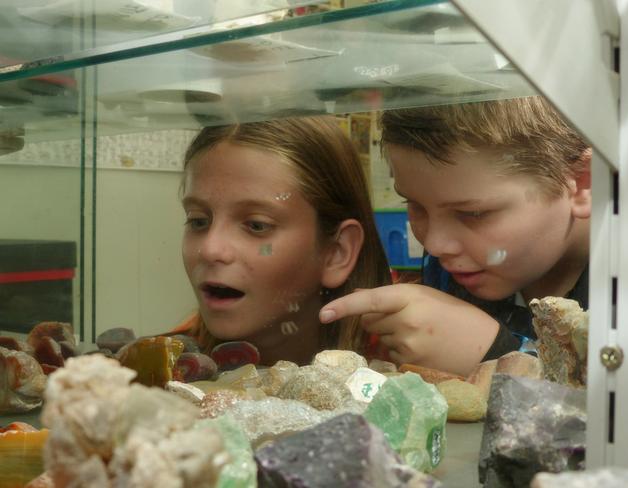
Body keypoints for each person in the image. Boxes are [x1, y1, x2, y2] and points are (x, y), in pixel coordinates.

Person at [319, 96, 591, 376]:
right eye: (415, 205)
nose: (435, 245)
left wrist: (495, 355)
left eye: (473, 214)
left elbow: (625, 412)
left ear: (582, 183)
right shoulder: (460, 263)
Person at [175, 116, 392, 366]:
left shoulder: (403, 367)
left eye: (257, 225)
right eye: (198, 221)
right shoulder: (166, 362)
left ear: (336, 252)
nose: (210, 249)